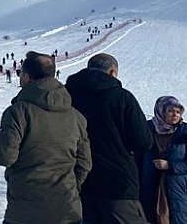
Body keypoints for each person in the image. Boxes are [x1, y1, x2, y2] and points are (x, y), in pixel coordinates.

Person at [0, 51, 91, 224]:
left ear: (26, 77)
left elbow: (4, 156)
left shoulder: (18, 112)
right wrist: (71, 187)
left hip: (25, 210)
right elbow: (84, 162)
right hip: (67, 209)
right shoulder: (76, 116)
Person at [65, 53, 153, 223]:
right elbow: (143, 142)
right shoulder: (121, 97)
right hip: (117, 183)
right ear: (112, 72)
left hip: (76, 179)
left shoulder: (66, 95)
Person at [139, 96, 187, 224]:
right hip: (150, 184)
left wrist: (170, 166)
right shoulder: (147, 129)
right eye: (171, 111)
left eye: (178, 112)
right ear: (162, 111)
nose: (175, 115)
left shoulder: (184, 132)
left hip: (178, 187)